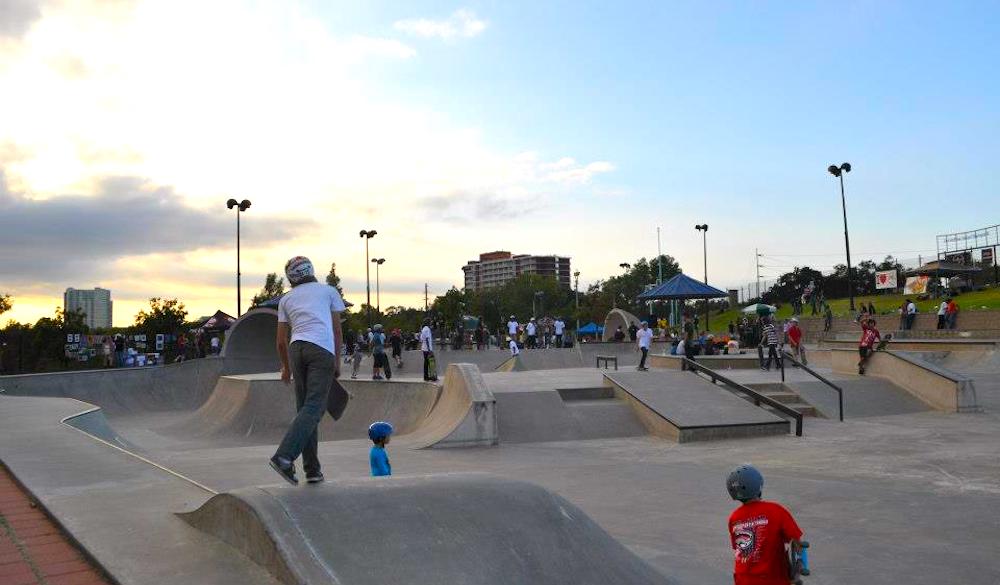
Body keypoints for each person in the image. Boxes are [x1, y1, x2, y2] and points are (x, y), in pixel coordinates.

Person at [270, 255, 346, 485]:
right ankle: (284, 457)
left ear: (291, 278)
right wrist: (337, 362)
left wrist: (285, 367)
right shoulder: (329, 291)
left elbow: (281, 341)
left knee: (306, 410)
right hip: (321, 348)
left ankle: (312, 470)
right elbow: (337, 331)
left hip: (296, 349)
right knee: (315, 407)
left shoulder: (286, 299)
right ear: (311, 270)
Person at [727, 464, 804, 585]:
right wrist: (797, 572)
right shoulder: (776, 510)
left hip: (743, 579)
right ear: (759, 486)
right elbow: (798, 543)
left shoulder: (734, 517)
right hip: (772, 578)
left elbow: (744, 549)